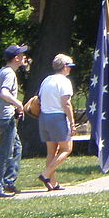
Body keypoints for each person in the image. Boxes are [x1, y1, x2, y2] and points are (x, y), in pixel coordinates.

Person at [0, 44, 28, 198]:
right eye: (22, 55)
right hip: (5, 117)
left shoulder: (0, 71)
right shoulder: (9, 74)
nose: (24, 57)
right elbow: (4, 94)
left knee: (16, 146)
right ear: (16, 58)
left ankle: (9, 182)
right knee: (5, 152)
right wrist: (18, 104)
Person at [37, 53, 77, 191]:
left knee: (51, 152)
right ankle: (46, 174)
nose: (70, 69)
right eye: (69, 66)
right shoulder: (65, 82)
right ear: (64, 67)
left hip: (44, 117)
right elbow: (66, 104)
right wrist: (72, 123)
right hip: (57, 117)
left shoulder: (46, 80)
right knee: (67, 148)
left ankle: (52, 183)